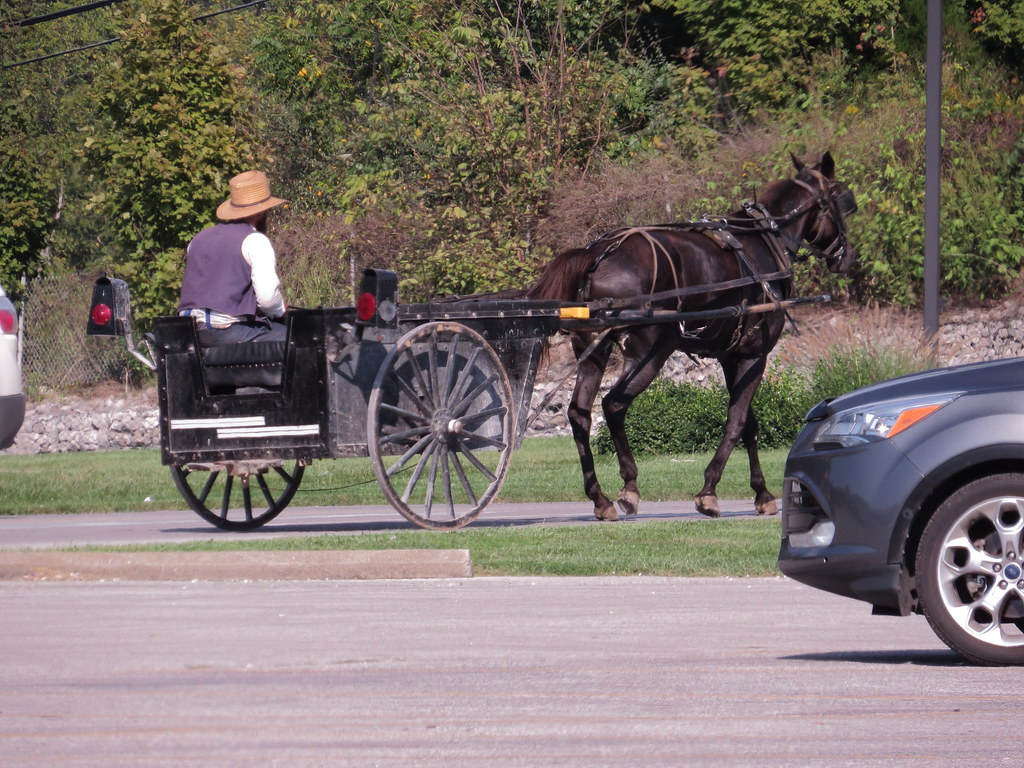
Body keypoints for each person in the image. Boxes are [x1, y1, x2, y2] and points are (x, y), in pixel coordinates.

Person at [178, 170, 289, 346]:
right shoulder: (255, 241)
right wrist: (281, 312)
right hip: (229, 332)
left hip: (188, 333)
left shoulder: (197, 240)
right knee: (296, 339)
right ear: (262, 212)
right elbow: (267, 299)